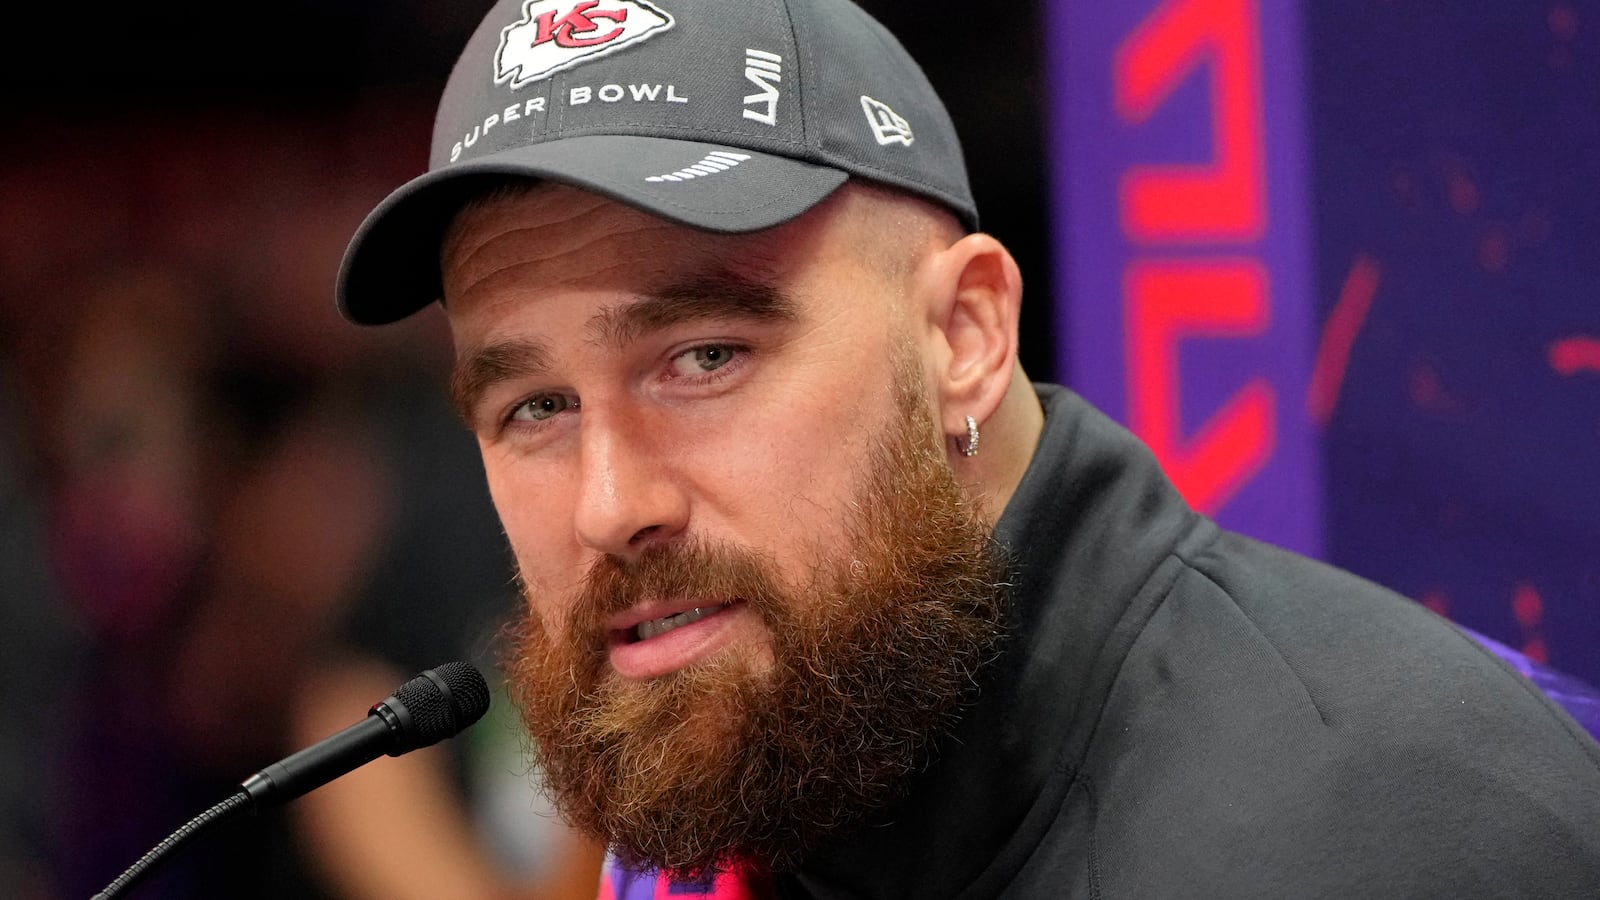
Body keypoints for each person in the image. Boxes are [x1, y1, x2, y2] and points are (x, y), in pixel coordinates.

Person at [333, 0, 1600, 896]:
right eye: (535, 408)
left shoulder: (1390, 833)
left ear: (963, 335)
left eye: (704, 357)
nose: (610, 506)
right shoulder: (746, 776)